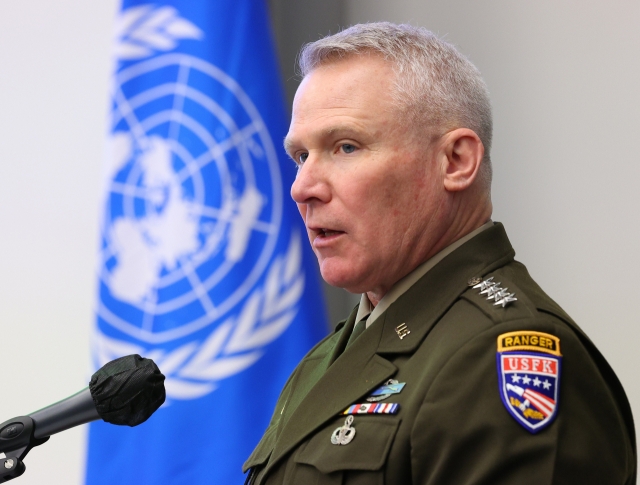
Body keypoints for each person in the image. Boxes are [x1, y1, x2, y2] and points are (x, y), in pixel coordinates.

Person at [243, 22, 637, 484]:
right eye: (300, 157)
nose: (302, 187)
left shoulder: (497, 357)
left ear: (455, 161)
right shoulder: (330, 356)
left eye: (345, 146)